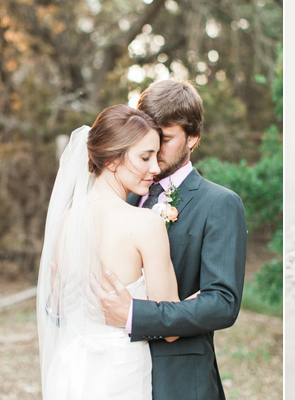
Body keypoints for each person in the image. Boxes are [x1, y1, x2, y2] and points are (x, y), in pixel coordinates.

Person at [91, 80, 248, 400]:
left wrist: (136, 315)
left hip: (179, 381)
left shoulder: (219, 204)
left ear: (193, 138)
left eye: (165, 138)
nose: (153, 148)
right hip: (112, 375)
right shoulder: (123, 198)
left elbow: (222, 303)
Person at [36, 105, 181, 400]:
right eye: (145, 157)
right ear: (113, 160)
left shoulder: (69, 219)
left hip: (69, 369)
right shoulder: (146, 224)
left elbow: (62, 304)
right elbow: (171, 328)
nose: (155, 168)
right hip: (119, 371)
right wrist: (199, 300)